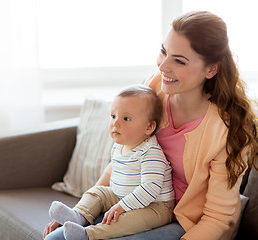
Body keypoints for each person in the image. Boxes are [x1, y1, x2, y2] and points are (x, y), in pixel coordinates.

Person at [45, 10, 258, 240]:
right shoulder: (156, 87)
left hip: (187, 223)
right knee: (56, 238)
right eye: (163, 52)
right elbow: (124, 157)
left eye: (179, 60)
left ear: (211, 69)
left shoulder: (227, 131)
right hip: (134, 200)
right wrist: (80, 213)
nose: (163, 66)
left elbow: (217, 218)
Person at [44, 85, 175, 240]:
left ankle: (88, 234)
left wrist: (122, 207)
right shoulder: (119, 146)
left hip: (154, 207)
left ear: (149, 127)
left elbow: (150, 189)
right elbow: (109, 172)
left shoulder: (150, 153)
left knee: (127, 221)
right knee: (98, 193)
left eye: (126, 119)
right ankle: (77, 215)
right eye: (113, 116)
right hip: (121, 196)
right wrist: (92, 198)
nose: (116, 123)